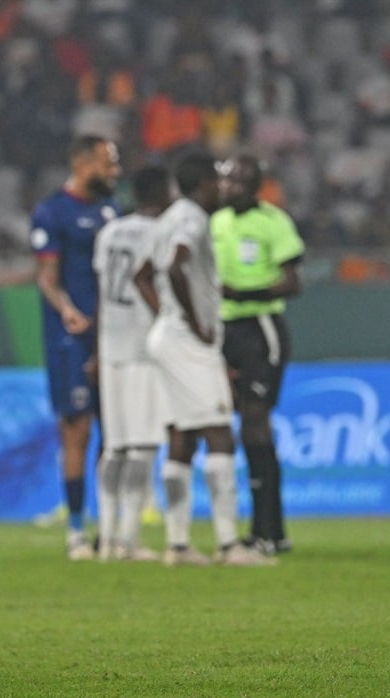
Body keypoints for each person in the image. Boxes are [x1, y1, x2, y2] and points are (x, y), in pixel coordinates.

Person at [136, 151, 274, 567]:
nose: (222, 187)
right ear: (203, 185)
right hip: (185, 340)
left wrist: (166, 314)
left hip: (166, 336)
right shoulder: (193, 218)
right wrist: (194, 322)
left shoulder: (167, 218)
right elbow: (175, 267)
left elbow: (143, 272)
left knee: (182, 436)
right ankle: (230, 545)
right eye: (217, 180)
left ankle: (178, 546)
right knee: (219, 433)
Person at [31, 134, 120, 560]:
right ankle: (76, 531)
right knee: (77, 431)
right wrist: (68, 310)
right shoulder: (52, 212)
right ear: (84, 164)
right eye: (109, 164)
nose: (115, 173)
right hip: (71, 337)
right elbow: (46, 276)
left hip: (112, 334)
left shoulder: (111, 212)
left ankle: (112, 528)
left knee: (114, 433)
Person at [212, 155, 304, 555]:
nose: (227, 188)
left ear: (254, 186)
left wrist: (244, 294)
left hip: (260, 327)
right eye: (225, 181)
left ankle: (268, 528)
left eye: (236, 182)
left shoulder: (274, 222)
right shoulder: (215, 223)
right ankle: (261, 530)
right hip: (221, 329)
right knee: (231, 422)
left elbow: (292, 282)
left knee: (255, 420)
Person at [91, 164, 172, 562]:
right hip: (143, 348)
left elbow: (100, 293)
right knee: (142, 447)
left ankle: (106, 538)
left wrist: (95, 349)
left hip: (110, 348)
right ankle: (129, 538)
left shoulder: (108, 234)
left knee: (114, 447)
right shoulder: (160, 234)